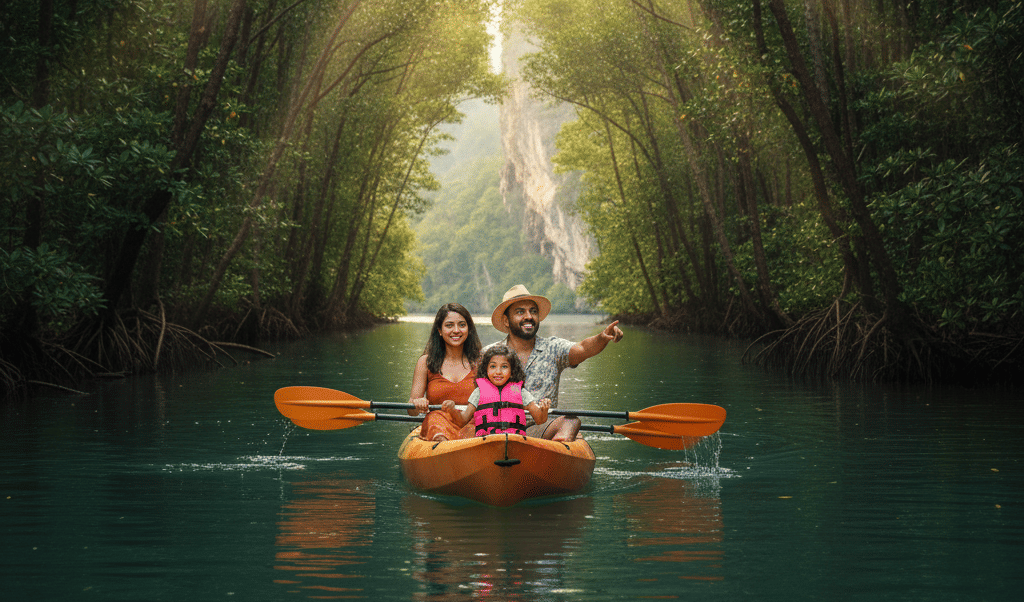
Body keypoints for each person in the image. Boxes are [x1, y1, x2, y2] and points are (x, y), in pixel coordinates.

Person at [488, 284, 624, 441]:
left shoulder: (553, 348)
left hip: (539, 430)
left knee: (570, 421)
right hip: (497, 433)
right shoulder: (489, 354)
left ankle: (557, 451)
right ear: (506, 321)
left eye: (533, 311)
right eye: (520, 312)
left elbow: (583, 348)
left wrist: (603, 336)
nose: (529, 317)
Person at [407, 303, 482, 441]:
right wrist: (417, 403)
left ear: (469, 329)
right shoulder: (425, 362)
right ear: (439, 330)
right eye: (449, 325)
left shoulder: (481, 362)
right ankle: (444, 446)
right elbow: (411, 412)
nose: (456, 330)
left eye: (462, 325)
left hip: (471, 425)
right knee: (435, 418)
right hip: (438, 425)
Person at [441, 344, 552, 435]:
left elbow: (540, 420)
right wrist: (452, 410)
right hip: (486, 442)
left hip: (515, 441)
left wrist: (544, 410)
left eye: (504, 366)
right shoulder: (479, 392)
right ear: (486, 370)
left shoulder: (521, 393)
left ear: (512, 371)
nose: (498, 371)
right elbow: (462, 421)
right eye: (493, 366)